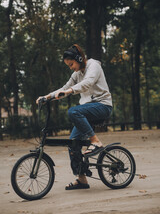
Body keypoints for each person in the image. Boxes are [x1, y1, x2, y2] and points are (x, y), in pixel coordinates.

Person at [36, 44, 112, 190]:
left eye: (71, 64)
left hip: (102, 106)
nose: (71, 67)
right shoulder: (77, 74)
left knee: (73, 111)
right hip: (88, 110)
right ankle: (82, 179)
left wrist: (70, 91)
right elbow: (65, 88)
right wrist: (46, 97)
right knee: (73, 143)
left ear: (79, 58)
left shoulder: (93, 66)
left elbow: (87, 83)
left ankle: (95, 141)